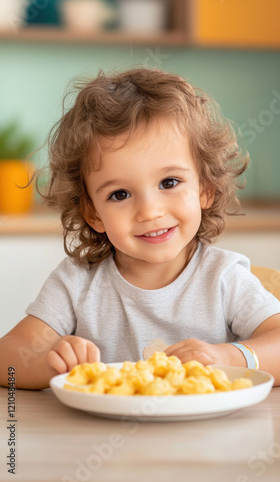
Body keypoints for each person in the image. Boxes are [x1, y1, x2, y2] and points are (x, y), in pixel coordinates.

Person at [1, 68, 280, 390]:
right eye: (119, 194)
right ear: (93, 213)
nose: (149, 211)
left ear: (205, 188)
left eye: (169, 182)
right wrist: (47, 362)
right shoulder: (76, 283)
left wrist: (231, 358)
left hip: (206, 437)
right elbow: (6, 356)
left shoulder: (223, 278)